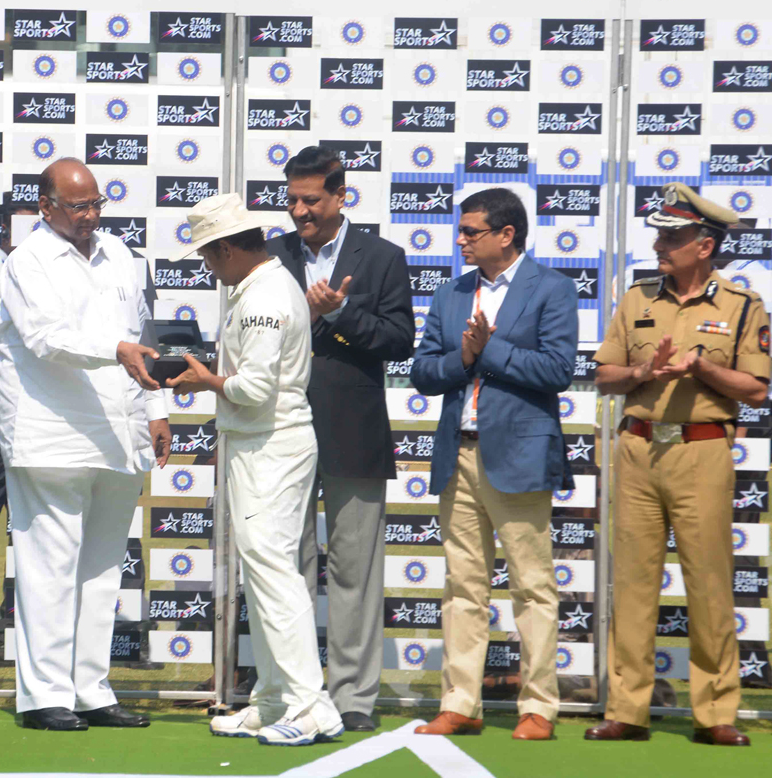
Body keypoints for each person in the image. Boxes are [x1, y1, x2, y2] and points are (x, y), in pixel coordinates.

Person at [587, 183, 768, 747]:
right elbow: (604, 374)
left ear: (704, 245)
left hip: (702, 451)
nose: (660, 243)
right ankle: (627, 710)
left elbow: (757, 391)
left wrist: (701, 370)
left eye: (673, 235)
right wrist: (643, 375)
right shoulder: (638, 297)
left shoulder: (742, 306)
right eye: (660, 233)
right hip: (638, 449)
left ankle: (715, 713)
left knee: (710, 583)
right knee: (633, 583)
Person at [0, 157, 170, 732]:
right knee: (50, 567)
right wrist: (114, 349)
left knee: (101, 570)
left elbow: (143, 337)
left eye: (97, 204)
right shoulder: (27, 261)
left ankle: (91, 688)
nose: (91, 215)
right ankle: (45, 695)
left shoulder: (121, 253)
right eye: (78, 206)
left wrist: (157, 408)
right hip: (53, 433)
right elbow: (46, 338)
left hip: (121, 430)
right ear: (45, 207)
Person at [168, 192, 344, 746]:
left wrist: (205, 381)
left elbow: (255, 388)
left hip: (271, 444)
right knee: (267, 573)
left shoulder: (262, 296)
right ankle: (272, 701)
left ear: (225, 250)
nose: (205, 266)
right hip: (262, 443)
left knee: (273, 573)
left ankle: (312, 706)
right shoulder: (269, 286)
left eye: (205, 255)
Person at [410, 187, 578, 741]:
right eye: (460, 231)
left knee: (532, 586)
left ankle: (539, 707)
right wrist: (462, 356)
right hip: (458, 454)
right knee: (463, 586)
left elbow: (557, 369)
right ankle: (461, 702)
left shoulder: (551, 288)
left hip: (520, 455)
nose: (459, 241)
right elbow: (423, 372)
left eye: (470, 232)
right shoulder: (452, 291)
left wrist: (489, 350)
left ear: (506, 235)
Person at [265, 146, 414, 732]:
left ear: (340, 196)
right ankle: (293, 693)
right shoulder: (271, 256)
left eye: (311, 200)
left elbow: (401, 340)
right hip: (278, 432)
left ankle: (352, 697)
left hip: (353, 433)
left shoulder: (381, 257)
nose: (300, 211)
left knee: (355, 570)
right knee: (288, 568)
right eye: (292, 199)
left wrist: (341, 312)